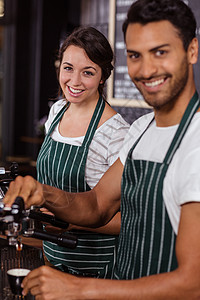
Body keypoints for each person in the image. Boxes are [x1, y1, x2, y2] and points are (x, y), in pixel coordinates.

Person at [4, 0, 200, 298]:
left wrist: (79, 287)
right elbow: (97, 205)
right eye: (135, 55)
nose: (146, 69)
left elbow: (193, 283)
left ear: (192, 50)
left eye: (160, 52)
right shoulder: (141, 130)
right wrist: (44, 192)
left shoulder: (195, 142)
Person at [32, 26, 130, 279]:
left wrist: (67, 219)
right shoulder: (57, 112)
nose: (74, 81)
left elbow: (129, 220)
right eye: (68, 68)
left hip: (95, 269)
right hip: (52, 255)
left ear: (102, 76)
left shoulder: (116, 134)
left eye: (88, 72)